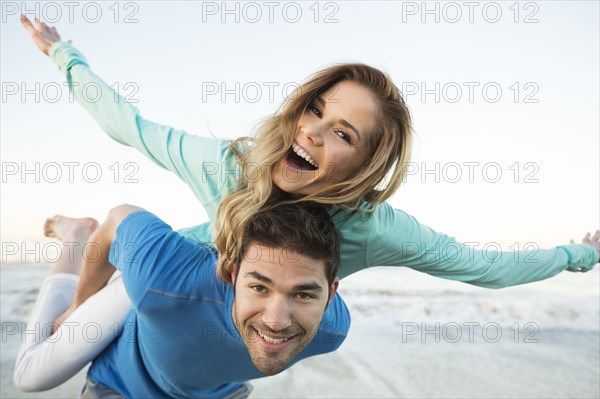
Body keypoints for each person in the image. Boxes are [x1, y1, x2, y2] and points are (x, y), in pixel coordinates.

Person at [16, 14, 600, 391]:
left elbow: (487, 267)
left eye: (344, 134)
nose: (313, 133)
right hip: (165, 277)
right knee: (39, 375)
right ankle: (73, 240)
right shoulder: (231, 164)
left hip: (230, 329)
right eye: (316, 110)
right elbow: (129, 126)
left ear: (367, 162)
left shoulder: (375, 230)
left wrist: (579, 255)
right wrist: (65, 55)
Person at [15, 202, 349, 398]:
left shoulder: (330, 330)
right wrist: (78, 306)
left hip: (212, 391)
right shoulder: (161, 276)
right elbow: (118, 218)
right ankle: (74, 237)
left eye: (303, 294)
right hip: (123, 383)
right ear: (233, 275)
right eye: (260, 288)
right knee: (31, 376)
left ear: (331, 294)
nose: (277, 319)